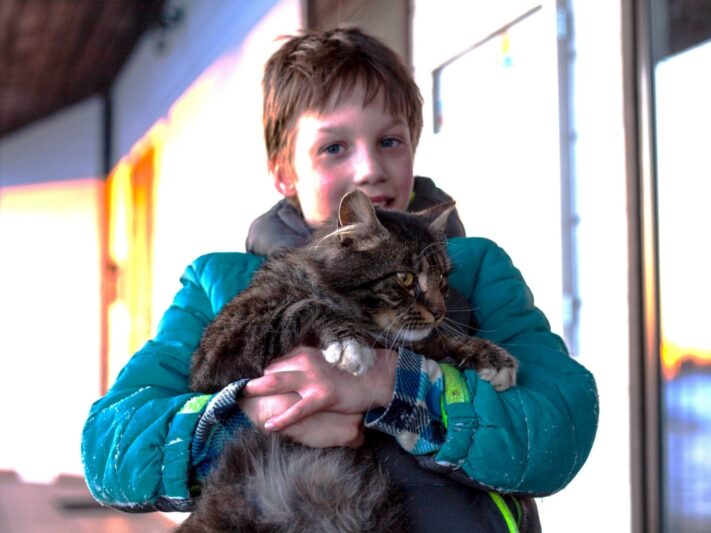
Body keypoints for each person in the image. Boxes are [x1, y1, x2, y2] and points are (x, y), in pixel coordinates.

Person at [82, 27, 598, 532]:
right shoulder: (218, 280)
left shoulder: (478, 266)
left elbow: (559, 426)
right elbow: (111, 447)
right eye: (334, 147)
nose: (370, 169)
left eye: (390, 140)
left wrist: (387, 383)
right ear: (285, 172)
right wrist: (266, 414)